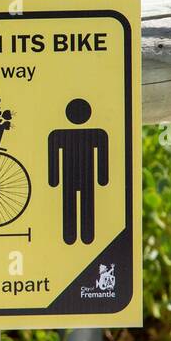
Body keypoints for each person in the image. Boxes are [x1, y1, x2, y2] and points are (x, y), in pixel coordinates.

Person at [47, 98, 108, 245]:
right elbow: (53, 158)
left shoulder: (59, 135)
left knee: (78, 205)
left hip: (76, 177)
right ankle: (79, 236)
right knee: (78, 205)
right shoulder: (97, 134)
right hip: (83, 177)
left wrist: (54, 180)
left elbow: (102, 156)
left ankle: (78, 236)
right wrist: (102, 178)